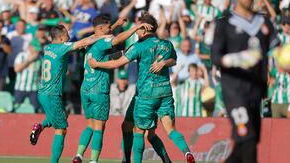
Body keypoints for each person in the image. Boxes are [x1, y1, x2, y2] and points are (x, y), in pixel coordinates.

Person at [88, 12, 195, 163]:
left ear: (144, 29)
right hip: (164, 92)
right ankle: (187, 153)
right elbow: (173, 60)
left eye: (138, 28)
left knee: (139, 131)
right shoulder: (166, 44)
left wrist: (97, 64)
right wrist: (164, 63)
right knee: (160, 129)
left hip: (146, 94)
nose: (136, 31)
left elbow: (118, 63)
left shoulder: (139, 46)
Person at [211, 0, 279, 163]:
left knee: (246, 143)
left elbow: (277, 48)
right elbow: (215, 57)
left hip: (256, 90)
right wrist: (237, 59)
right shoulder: (225, 24)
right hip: (234, 91)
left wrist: (289, 59)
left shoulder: (264, 22)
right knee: (247, 138)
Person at [28, 24, 108, 163]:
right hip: (52, 95)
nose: (68, 36)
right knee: (61, 130)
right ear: (59, 38)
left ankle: (40, 126)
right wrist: (103, 36)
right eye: (66, 35)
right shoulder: (61, 48)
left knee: (64, 115)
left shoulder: (48, 48)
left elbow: (81, 43)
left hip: (43, 93)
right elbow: (83, 42)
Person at [72, 15, 138, 163]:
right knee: (99, 128)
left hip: (85, 89)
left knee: (89, 125)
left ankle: (78, 155)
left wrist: (116, 24)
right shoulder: (102, 42)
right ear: (101, 28)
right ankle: (93, 161)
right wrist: (135, 28)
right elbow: (117, 39)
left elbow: (103, 33)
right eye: (109, 28)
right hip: (99, 90)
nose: (111, 30)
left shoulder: (91, 41)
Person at [13, 39, 42, 113]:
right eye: (36, 49)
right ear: (30, 47)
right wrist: (29, 61)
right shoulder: (21, 56)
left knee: (35, 110)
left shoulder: (40, 58)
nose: (37, 51)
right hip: (20, 88)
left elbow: (41, 74)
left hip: (34, 88)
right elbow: (17, 69)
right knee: (16, 108)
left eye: (38, 50)